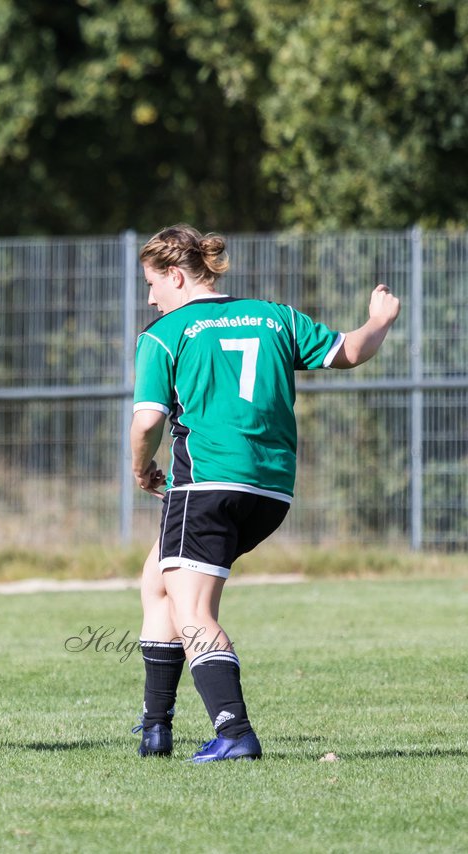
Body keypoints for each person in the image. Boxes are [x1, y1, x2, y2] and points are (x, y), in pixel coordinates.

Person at [130, 223, 399, 762]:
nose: (151, 296)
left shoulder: (164, 333)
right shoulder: (274, 317)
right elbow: (348, 351)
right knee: (157, 579)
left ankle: (233, 732)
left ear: (176, 276)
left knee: (195, 612)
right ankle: (155, 729)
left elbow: (146, 423)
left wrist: (142, 469)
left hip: (206, 484)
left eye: (152, 284)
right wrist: (380, 320)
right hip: (270, 492)